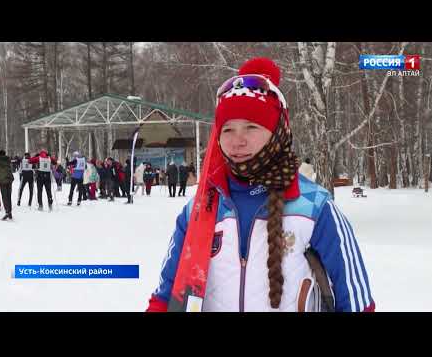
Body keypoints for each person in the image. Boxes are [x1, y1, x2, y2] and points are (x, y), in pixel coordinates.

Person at [146, 57, 374, 312]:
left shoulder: (314, 207)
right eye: (228, 129)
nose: (237, 140)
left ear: (278, 133)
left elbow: (356, 303)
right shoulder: (200, 209)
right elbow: (165, 297)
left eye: (251, 127)